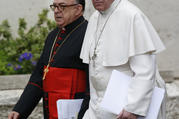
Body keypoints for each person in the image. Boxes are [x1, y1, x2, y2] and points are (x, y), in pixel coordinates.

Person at [80, 0, 166, 119]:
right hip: (97, 108)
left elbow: (145, 70)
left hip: (125, 110)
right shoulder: (94, 18)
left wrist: (133, 108)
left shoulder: (132, 15)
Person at [8, 0, 89, 119]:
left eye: (62, 6)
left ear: (77, 9)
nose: (56, 11)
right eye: (55, 6)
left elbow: (93, 84)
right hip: (50, 111)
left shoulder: (88, 34)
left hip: (75, 112)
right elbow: (38, 78)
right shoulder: (52, 36)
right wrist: (20, 110)